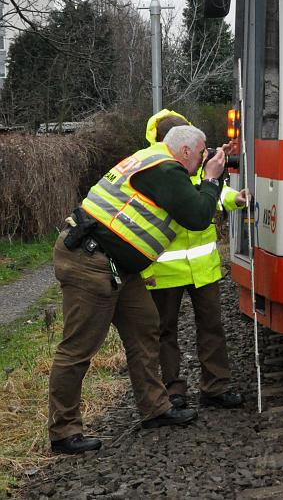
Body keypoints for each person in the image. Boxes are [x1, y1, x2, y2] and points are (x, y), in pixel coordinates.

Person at [48, 124, 226, 455]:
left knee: (146, 327)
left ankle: (155, 409)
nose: (204, 158)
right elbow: (198, 215)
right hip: (91, 261)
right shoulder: (164, 169)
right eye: (202, 153)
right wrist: (212, 178)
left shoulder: (151, 159)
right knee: (78, 347)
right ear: (185, 151)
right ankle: (63, 431)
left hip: (118, 266)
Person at [142, 110, 249, 411]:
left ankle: (215, 387)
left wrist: (233, 200)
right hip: (165, 269)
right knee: (165, 331)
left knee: (211, 326)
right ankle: (172, 391)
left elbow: (212, 191)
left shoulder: (196, 162)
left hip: (201, 267)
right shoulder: (156, 168)